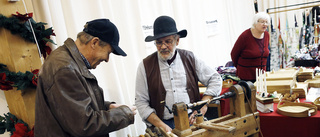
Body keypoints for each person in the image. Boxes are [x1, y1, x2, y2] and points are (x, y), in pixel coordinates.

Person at [35, 19, 136, 137]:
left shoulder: (68, 62)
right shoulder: (65, 69)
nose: (107, 59)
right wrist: (123, 114)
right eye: (108, 52)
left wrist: (107, 106)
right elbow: (84, 124)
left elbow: (74, 103)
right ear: (94, 42)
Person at [135, 16, 222, 132]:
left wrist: (202, 107)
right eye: (159, 43)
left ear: (177, 40)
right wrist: (162, 126)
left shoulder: (190, 58)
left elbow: (215, 78)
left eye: (168, 41)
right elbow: (141, 102)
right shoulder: (145, 66)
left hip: (191, 120)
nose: (163, 46)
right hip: (162, 123)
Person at [231, 12, 270, 83]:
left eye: (266, 22)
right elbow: (234, 54)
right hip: (246, 77)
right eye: (262, 22)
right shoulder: (245, 36)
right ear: (255, 23)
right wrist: (241, 68)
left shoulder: (267, 35)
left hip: (261, 76)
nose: (265, 24)